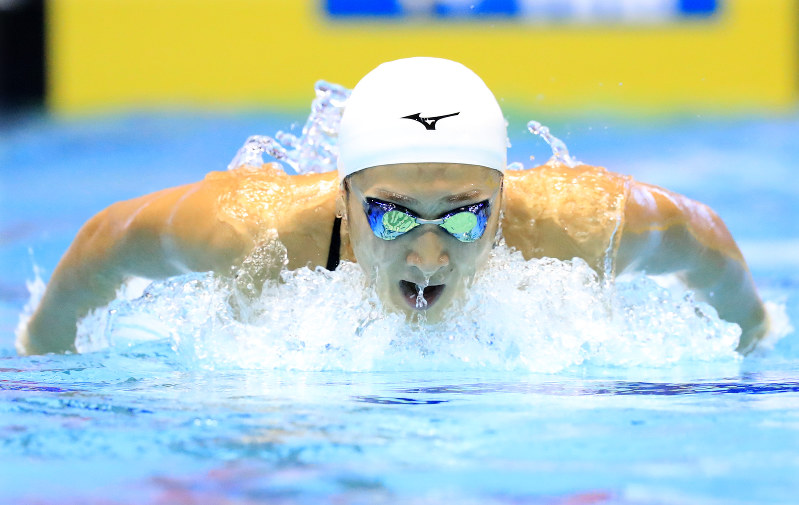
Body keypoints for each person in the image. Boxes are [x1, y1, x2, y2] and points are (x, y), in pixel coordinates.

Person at [17, 57, 769, 356]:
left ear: (504, 199)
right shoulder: (257, 229)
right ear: (343, 197)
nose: (429, 256)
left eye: (466, 214)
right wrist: (41, 354)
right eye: (393, 215)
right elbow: (100, 244)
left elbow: (709, 246)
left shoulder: (588, 224)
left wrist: (756, 331)